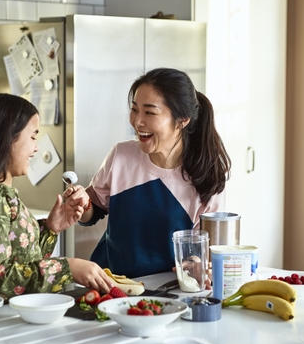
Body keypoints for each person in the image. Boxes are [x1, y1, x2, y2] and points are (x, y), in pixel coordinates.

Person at [0, 93, 113, 300]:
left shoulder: (2, 195)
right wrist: (67, 268)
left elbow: (22, 263)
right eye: (32, 137)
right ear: (5, 139)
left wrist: (50, 228)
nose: (36, 147)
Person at [73, 68, 231, 279]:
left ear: (182, 119)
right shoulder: (121, 155)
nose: (137, 121)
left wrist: (196, 265)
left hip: (167, 290)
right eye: (134, 109)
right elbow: (94, 210)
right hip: (111, 284)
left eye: (149, 112)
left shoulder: (206, 177)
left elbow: (202, 253)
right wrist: (81, 203)